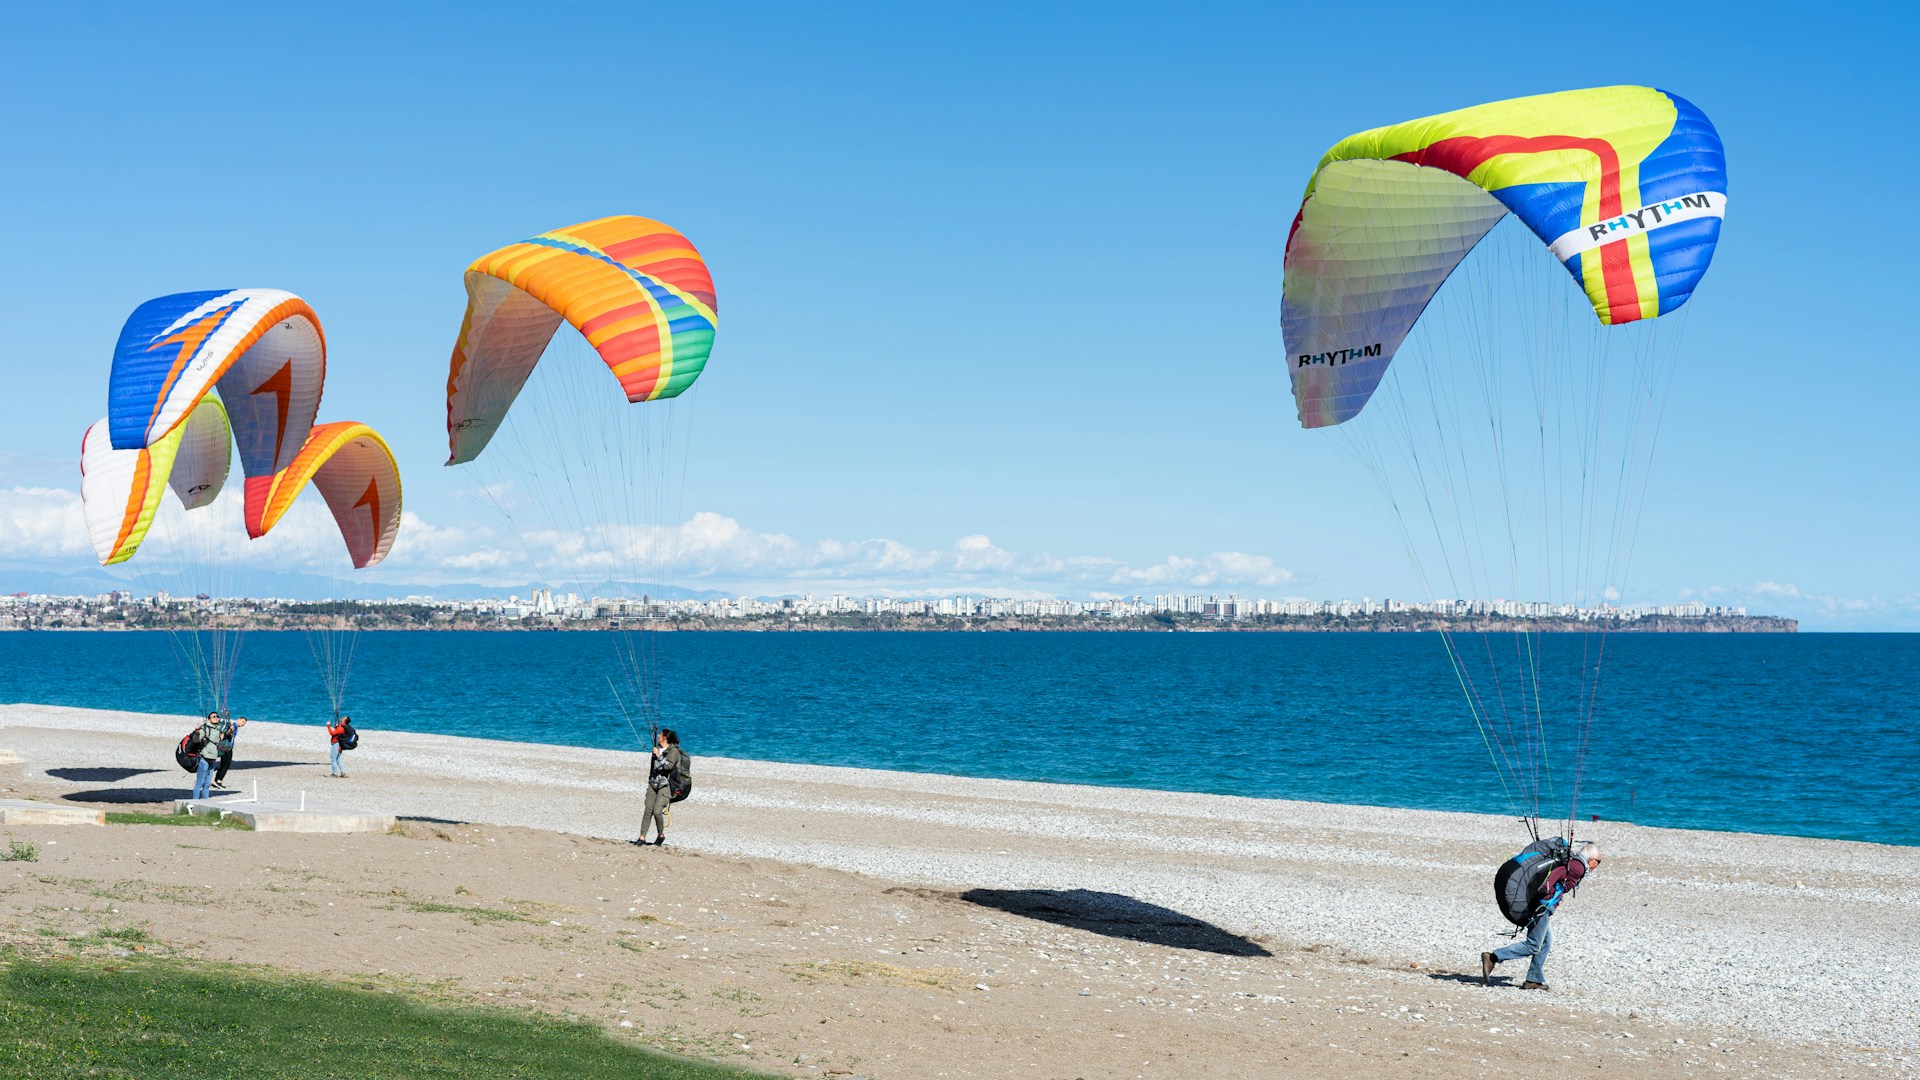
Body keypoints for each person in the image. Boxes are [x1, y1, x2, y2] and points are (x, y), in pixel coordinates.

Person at [1482, 842, 1602, 990]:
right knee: (1533, 945)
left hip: (1540, 904)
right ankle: (1493, 957)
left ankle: (1533, 979)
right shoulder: (1578, 867)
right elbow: (1555, 875)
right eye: (1598, 862)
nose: (1597, 866)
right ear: (1591, 859)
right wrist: (1545, 895)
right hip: (1542, 906)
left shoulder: (1572, 862)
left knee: (1546, 941)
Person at [633, 728, 686, 847]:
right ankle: (642, 837)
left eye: (660, 735)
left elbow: (668, 767)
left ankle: (661, 835)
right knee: (648, 810)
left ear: (665, 738)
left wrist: (658, 756)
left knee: (657, 811)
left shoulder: (674, 752)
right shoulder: (657, 748)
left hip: (665, 786)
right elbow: (653, 768)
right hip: (653, 784)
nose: (658, 737)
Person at [190, 711, 223, 800]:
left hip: (213, 759)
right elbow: (196, 740)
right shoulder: (204, 728)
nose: (216, 717)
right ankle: (195, 802)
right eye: (213, 716)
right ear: (209, 719)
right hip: (204, 758)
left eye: (217, 716)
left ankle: (205, 803)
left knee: (207, 783)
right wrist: (197, 732)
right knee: (200, 782)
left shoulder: (218, 729)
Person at [213, 716, 247, 788]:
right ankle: (218, 780)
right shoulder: (233, 725)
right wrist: (231, 730)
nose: (243, 724)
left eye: (244, 723)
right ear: (238, 720)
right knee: (226, 765)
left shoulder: (235, 726)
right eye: (243, 721)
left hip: (226, 747)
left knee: (224, 764)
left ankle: (216, 780)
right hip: (227, 747)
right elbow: (227, 733)